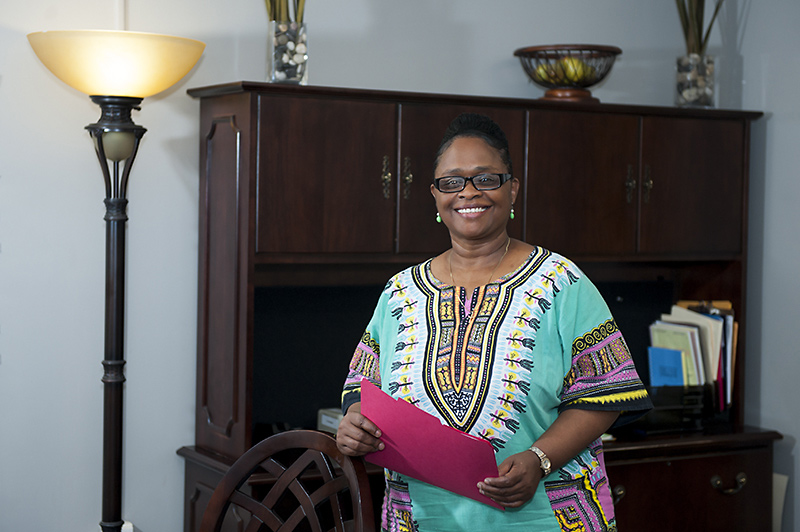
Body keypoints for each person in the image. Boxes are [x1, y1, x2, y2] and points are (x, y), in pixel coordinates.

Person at [336, 113, 652, 532]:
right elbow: (363, 391)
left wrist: (540, 460)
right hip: (421, 517)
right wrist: (353, 428)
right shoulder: (400, 293)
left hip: (543, 515)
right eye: (452, 182)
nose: (468, 192)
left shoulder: (561, 282)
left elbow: (603, 393)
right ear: (434, 195)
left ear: (512, 189)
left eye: (486, 178)